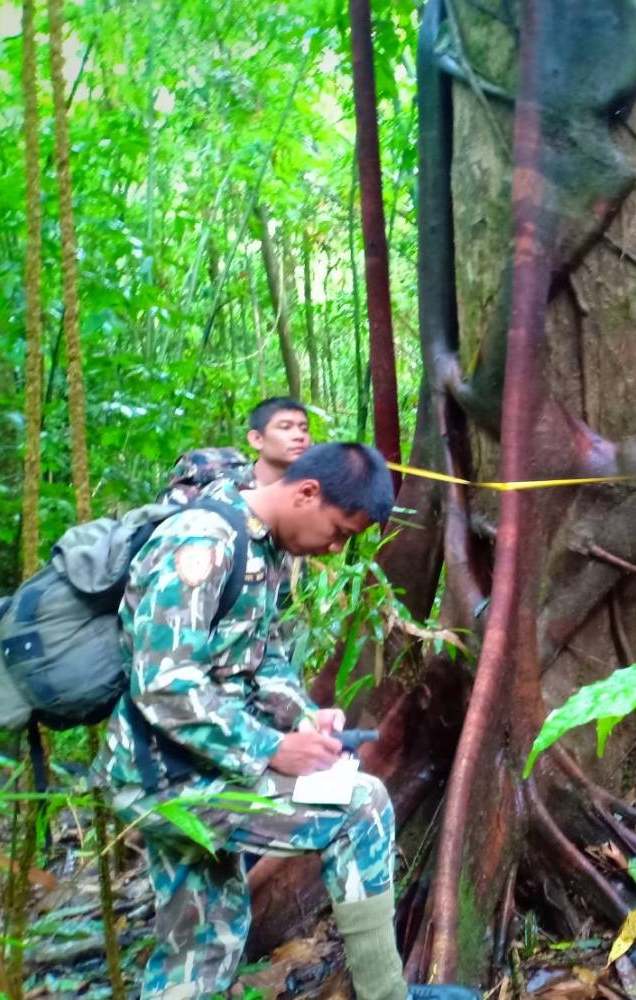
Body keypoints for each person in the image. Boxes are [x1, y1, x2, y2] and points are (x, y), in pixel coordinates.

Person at [94, 443, 407, 999]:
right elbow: (164, 684)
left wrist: (305, 717)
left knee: (203, 940)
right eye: (338, 531)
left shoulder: (268, 550)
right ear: (307, 493)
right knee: (362, 808)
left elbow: (260, 658)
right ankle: (386, 995)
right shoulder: (202, 541)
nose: (336, 548)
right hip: (165, 778)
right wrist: (268, 748)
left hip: (196, 766)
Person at [158, 395, 312, 505]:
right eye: (285, 427)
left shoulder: (303, 497)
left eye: (304, 429)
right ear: (257, 439)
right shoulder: (223, 491)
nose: (299, 436)